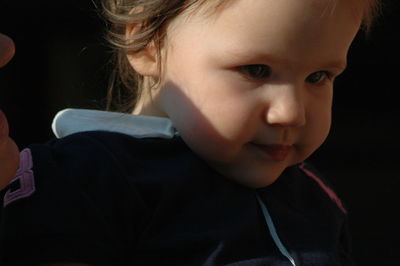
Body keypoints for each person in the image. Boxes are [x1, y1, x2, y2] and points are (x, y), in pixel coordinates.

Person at [0, 0, 380, 265]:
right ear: (149, 44)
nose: (291, 113)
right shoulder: (82, 177)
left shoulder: (314, 194)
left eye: (319, 77)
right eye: (256, 70)